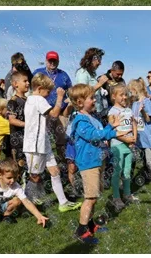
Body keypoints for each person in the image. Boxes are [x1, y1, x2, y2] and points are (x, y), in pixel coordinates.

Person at [67, 83, 124, 244]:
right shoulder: (80, 121)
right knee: (90, 198)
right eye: (91, 98)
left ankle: (90, 225)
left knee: (95, 196)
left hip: (97, 161)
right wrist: (110, 127)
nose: (94, 100)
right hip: (88, 164)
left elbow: (102, 135)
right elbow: (94, 135)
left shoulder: (91, 117)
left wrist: (114, 131)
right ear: (79, 102)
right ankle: (81, 230)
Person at [23, 73, 81, 213]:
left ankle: (63, 202)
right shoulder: (38, 99)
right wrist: (60, 98)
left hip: (43, 142)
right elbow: (55, 114)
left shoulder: (33, 99)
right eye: (48, 91)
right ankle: (24, 202)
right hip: (34, 145)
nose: (49, 94)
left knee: (55, 171)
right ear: (40, 88)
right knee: (34, 176)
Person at [0, 159, 48, 230]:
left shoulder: (16, 186)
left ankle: (6, 216)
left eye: (15, 177)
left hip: (4, 206)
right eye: (9, 178)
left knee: (17, 200)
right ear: (0, 174)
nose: (12, 180)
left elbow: (26, 201)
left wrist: (39, 216)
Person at [130, 78, 151, 194]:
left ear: (134, 90)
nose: (130, 93)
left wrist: (143, 111)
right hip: (137, 137)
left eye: (131, 91)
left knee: (150, 161)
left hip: (146, 137)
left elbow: (148, 119)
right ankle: (128, 185)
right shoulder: (134, 104)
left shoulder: (147, 102)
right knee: (133, 160)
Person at [106, 84, 137, 209]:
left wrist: (134, 137)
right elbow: (112, 131)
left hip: (129, 145)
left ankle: (127, 194)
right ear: (114, 97)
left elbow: (134, 123)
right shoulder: (112, 112)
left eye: (126, 94)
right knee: (117, 172)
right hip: (118, 146)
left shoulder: (129, 110)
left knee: (127, 171)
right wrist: (125, 139)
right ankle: (116, 197)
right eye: (121, 95)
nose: (125, 97)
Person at [73, 48, 110, 119]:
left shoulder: (91, 74)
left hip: (95, 112)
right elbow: (82, 93)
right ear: (91, 59)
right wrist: (99, 84)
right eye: (98, 59)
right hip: (86, 114)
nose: (100, 63)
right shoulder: (82, 73)